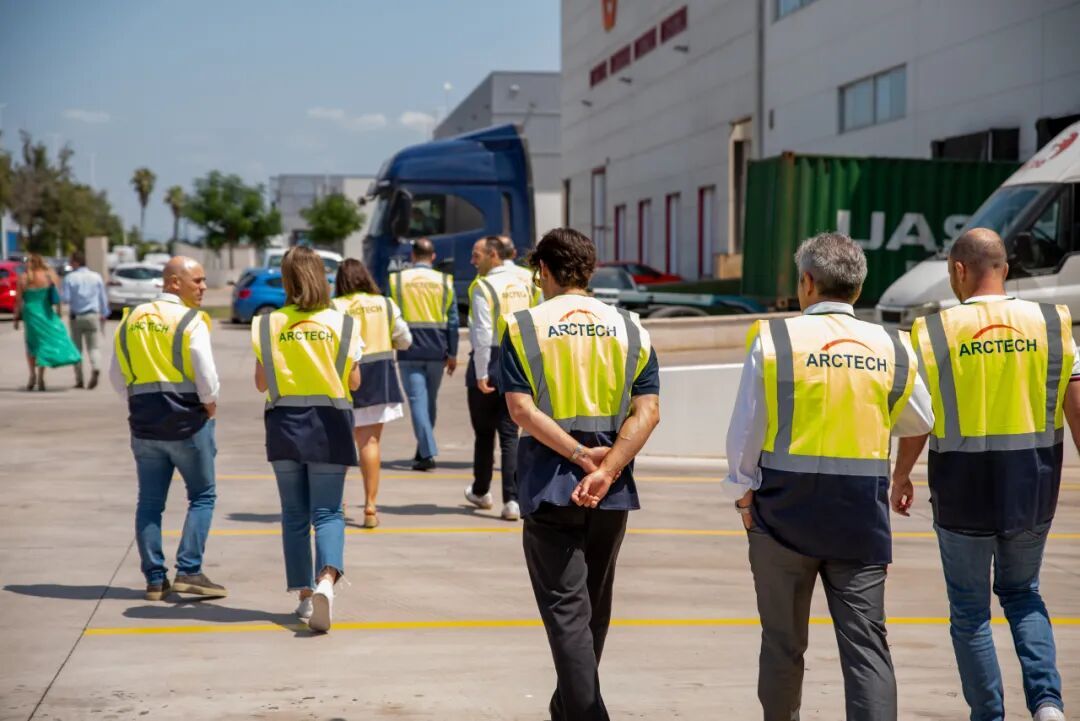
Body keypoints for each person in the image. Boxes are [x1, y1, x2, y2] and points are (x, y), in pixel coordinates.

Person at [723, 232, 934, 721]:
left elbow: (745, 431)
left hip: (781, 516)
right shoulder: (893, 347)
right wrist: (900, 472)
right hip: (860, 520)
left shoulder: (776, 340)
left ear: (807, 282)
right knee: (867, 648)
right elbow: (921, 419)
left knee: (782, 644)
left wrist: (743, 496)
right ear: (857, 289)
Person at [892, 228, 1078, 721]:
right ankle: (1047, 705)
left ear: (958, 270)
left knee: (970, 612)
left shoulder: (932, 332)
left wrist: (901, 475)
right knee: (1023, 594)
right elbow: (1077, 406)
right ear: (1005, 268)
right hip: (1032, 488)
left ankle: (989, 715)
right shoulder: (1051, 324)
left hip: (961, 491)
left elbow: (919, 419)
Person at [501, 227, 661, 721]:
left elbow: (521, 410)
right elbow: (648, 411)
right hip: (611, 489)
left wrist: (577, 455)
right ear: (589, 271)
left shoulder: (525, 326)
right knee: (592, 608)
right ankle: (566, 707)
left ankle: (586, 713)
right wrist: (607, 468)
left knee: (568, 614)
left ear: (543, 271)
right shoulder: (631, 327)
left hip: (551, 483)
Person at [252, 246, 362, 633]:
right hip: (330, 422)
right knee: (328, 511)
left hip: (283, 421)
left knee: (294, 513)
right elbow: (354, 381)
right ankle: (326, 581)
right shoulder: (342, 322)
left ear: (286, 279)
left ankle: (303, 595)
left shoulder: (267, 323)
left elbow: (261, 382)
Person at [108, 256, 226, 602]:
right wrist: (210, 403)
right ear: (174, 283)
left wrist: (140, 403)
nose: (203, 287)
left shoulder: (130, 320)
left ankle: (155, 580)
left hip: (144, 425)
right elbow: (205, 373)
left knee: (149, 502)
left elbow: (117, 377)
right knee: (202, 496)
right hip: (188, 423)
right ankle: (189, 570)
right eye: (197, 281)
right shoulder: (191, 320)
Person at [333, 258, 412, 529]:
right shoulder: (385, 304)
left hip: (345, 377)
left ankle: (337, 503)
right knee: (370, 443)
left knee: (340, 444)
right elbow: (405, 339)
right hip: (380, 376)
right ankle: (370, 507)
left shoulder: (335, 306)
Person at [465, 235, 536, 521]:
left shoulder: (483, 286)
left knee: (484, 433)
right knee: (510, 434)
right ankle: (513, 500)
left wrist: (481, 371)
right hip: (519, 357)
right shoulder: (526, 281)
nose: (473, 261)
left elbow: (482, 332)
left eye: (477, 255)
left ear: (493, 255)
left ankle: (481, 491)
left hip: (492, 357)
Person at [389, 238, 458, 471]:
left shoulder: (397, 280)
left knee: (418, 401)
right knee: (429, 402)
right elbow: (453, 321)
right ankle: (423, 450)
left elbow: (391, 317)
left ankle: (427, 453)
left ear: (412, 256)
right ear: (433, 256)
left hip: (409, 348)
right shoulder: (445, 281)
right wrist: (453, 353)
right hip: (437, 348)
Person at [14, 254, 81, 391]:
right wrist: (59, 312)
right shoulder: (50, 276)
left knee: (31, 345)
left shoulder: (24, 277)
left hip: (30, 313)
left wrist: (16, 318)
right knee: (43, 343)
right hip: (46, 312)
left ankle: (32, 375)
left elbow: (18, 300)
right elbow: (57, 297)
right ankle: (41, 376)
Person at [62, 250, 109, 389]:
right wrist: (104, 313)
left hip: (76, 317)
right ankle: (96, 367)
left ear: (76, 262)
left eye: (71, 262)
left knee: (77, 349)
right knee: (94, 347)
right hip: (93, 316)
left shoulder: (70, 278)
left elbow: (66, 299)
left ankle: (79, 380)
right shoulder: (96, 277)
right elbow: (102, 298)